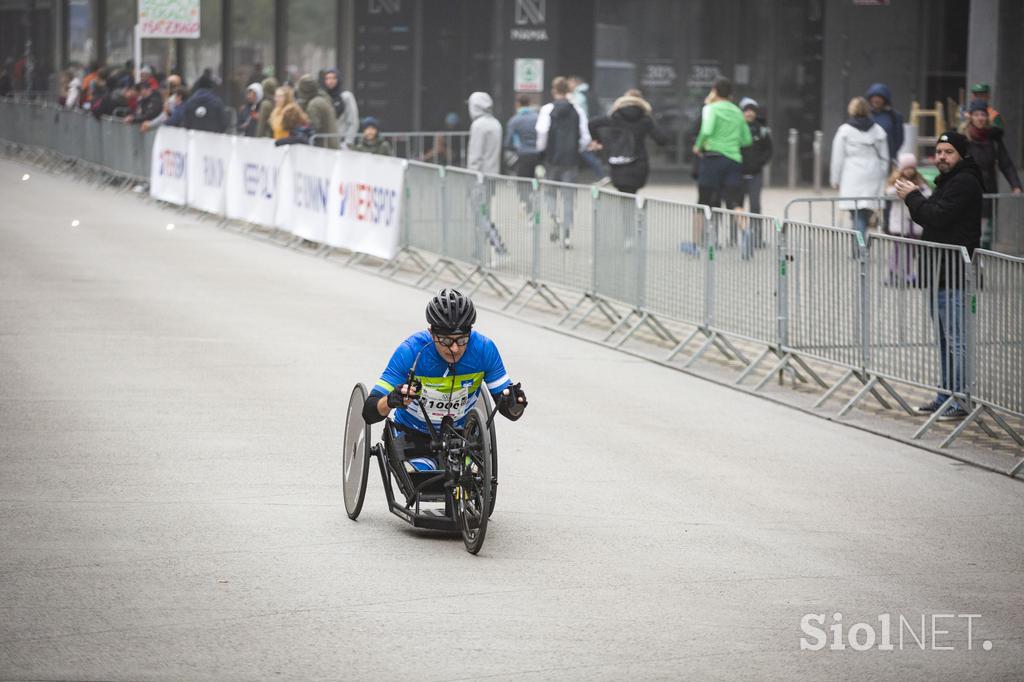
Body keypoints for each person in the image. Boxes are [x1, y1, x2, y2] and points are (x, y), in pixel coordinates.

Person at [361, 289, 527, 475]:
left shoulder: (483, 349)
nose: (455, 348)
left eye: (462, 339)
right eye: (446, 340)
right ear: (431, 333)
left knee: (468, 476)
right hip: (414, 435)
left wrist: (514, 404)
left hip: (461, 437)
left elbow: (510, 411)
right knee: (422, 477)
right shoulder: (410, 351)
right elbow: (369, 411)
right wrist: (392, 400)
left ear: (470, 332)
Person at [895, 131, 983, 422]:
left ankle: (960, 400)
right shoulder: (948, 181)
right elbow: (931, 213)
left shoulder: (965, 181)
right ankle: (945, 395)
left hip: (955, 274)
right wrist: (918, 199)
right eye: (939, 152)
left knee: (957, 341)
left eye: (949, 152)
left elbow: (936, 216)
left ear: (961, 154)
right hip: (937, 274)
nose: (942, 157)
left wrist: (912, 196)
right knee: (945, 340)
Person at [536, 76, 591, 248]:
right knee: (568, 198)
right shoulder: (577, 110)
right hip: (571, 160)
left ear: (554, 91)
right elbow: (585, 137)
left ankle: (554, 217)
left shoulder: (547, 109)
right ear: (568, 91)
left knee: (549, 193)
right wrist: (578, 149)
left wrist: (541, 150)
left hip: (552, 159)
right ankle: (566, 236)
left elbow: (542, 132)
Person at [961, 98, 1023, 249]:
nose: (980, 118)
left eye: (983, 115)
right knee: (968, 229)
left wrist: (1016, 185)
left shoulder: (993, 140)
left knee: (986, 231)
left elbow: (1006, 163)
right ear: (970, 116)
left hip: (988, 191)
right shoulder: (962, 139)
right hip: (967, 191)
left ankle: (982, 259)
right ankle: (969, 262)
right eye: (977, 115)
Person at [587, 88, 669, 194]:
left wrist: (597, 141)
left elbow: (592, 124)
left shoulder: (615, 116)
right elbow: (662, 139)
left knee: (623, 194)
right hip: (638, 163)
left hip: (618, 162)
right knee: (632, 194)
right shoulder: (645, 120)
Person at [829, 96, 889, 239]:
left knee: (855, 212)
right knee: (865, 210)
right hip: (873, 172)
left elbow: (837, 157)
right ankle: (861, 243)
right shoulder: (878, 130)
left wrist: (834, 179)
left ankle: (859, 247)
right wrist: (883, 175)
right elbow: (885, 157)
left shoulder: (844, 130)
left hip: (852, 173)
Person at [694, 77, 751, 211]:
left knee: (703, 202)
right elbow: (747, 140)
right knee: (733, 201)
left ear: (714, 91)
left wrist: (698, 146)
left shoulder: (710, 108)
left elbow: (706, 130)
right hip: (733, 160)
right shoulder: (738, 112)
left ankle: (697, 232)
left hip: (713, 158)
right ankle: (746, 231)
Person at [884, 153, 930, 284]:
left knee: (912, 250)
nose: (909, 171)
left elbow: (928, 193)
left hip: (914, 223)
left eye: (912, 168)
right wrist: (902, 190)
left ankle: (908, 273)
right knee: (899, 249)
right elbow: (888, 192)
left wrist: (916, 190)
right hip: (899, 223)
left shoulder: (920, 181)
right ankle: (893, 271)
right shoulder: (896, 182)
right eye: (906, 168)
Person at [567, 74, 608, 182]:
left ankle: (601, 175)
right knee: (585, 151)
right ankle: (601, 175)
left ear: (575, 82)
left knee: (585, 151)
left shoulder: (578, 96)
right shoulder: (587, 93)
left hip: (581, 127)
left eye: (570, 82)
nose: (568, 84)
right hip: (588, 125)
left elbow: (576, 111)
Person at [738, 97, 772, 217]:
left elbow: (768, 150)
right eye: (746, 110)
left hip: (755, 174)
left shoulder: (761, 130)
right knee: (737, 207)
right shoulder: (736, 128)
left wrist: (760, 162)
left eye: (752, 110)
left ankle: (756, 234)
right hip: (738, 173)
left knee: (755, 206)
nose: (749, 112)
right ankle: (733, 235)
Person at [296, 74, 339, 149]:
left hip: (323, 148)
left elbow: (313, 128)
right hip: (330, 145)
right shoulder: (323, 97)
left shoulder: (314, 105)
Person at [504, 94, 540, 182]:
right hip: (538, 155)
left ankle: (525, 195)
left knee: (523, 183)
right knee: (536, 179)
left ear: (518, 104)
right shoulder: (538, 117)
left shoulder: (514, 120)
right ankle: (536, 191)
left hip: (523, 154)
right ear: (529, 103)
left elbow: (508, 142)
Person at [865, 83, 904, 163]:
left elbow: (899, 139)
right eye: (873, 97)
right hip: (868, 158)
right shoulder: (865, 115)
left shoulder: (894, 116)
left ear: (885, 99)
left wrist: (891, 153)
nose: (876, 100)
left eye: (879, 97)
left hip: (888, 158)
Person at [320, 68, 359, 148]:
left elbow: (353, 120)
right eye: (327, 78)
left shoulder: (346, 96)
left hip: (342, 141)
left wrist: (348, 141)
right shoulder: (322, 97)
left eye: (333, 78)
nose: (330, 81)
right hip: (324, 143)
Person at [467, 91, 502, 175]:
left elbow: (476, 154)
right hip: (493, 173)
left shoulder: (478, 125)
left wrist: (472, 173)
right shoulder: (496, 123)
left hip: (479, 176)